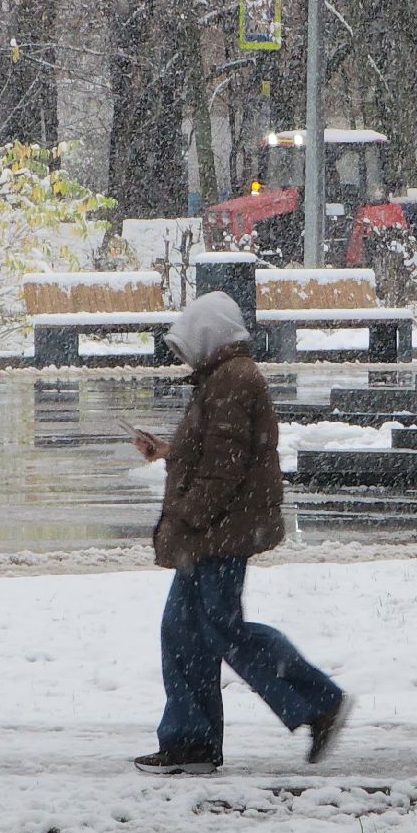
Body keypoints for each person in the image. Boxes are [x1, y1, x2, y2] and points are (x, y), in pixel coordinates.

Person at [131, 292, 349, 775]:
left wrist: (186, 514)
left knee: (218, 629)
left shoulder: (232, 380)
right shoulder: (223, 379)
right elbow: (218, 454)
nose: (184, 353)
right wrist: (170, 450)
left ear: (209, 335)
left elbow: (225, 468)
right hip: (212, 531)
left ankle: (318, 700)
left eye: (189, 342)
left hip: (217, 533)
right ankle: (191, 742)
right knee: (184, 631)